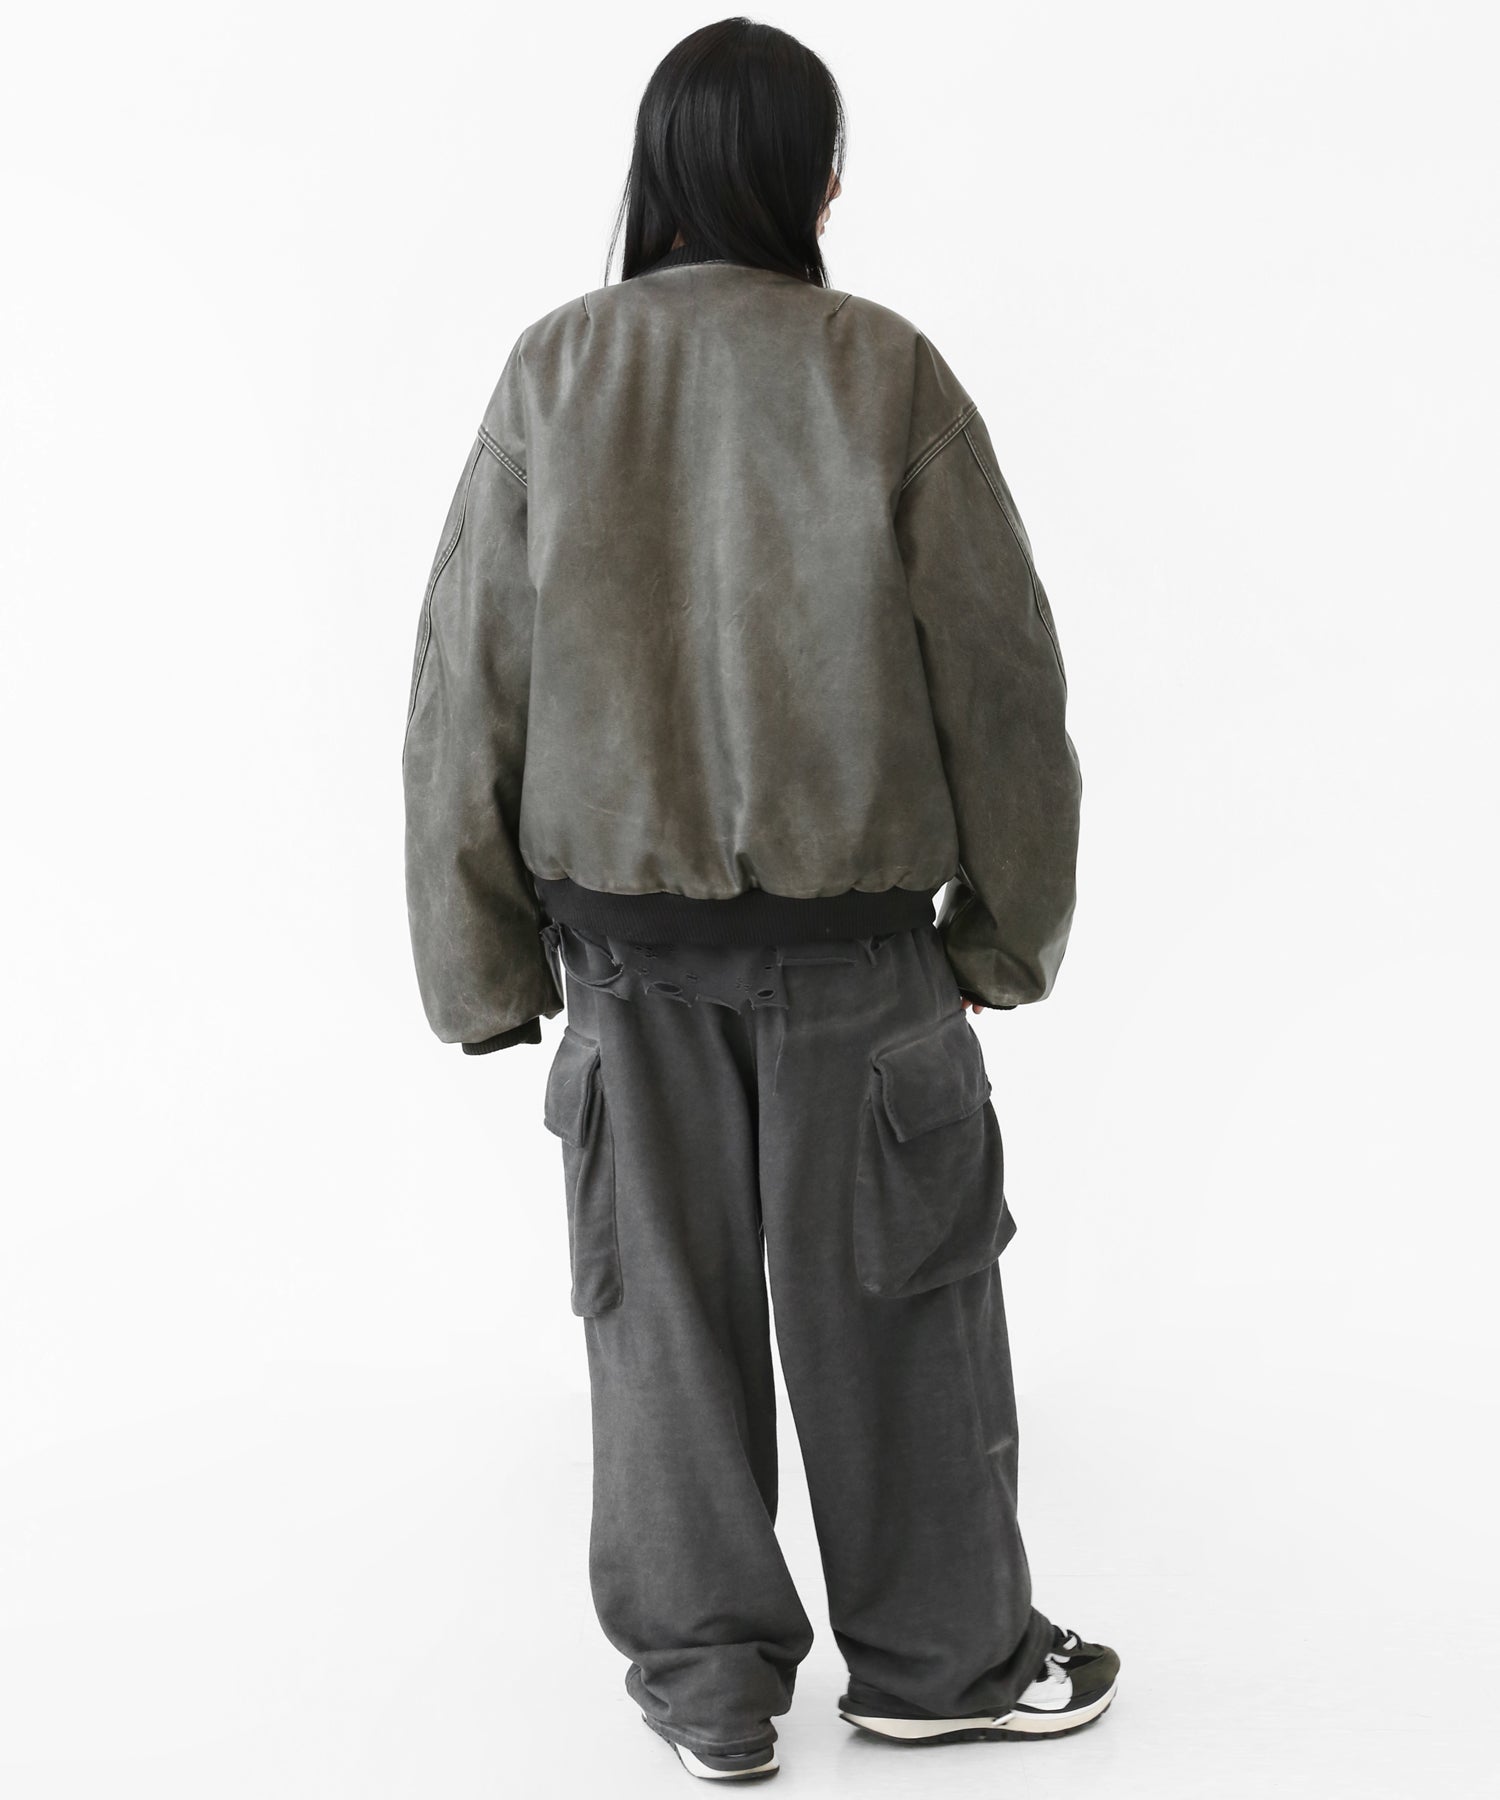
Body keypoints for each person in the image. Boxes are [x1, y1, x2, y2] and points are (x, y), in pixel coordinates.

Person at [402, 15, 1117, 1783]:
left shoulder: (554, 374)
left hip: (623, 968)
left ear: (654, 169)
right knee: (905, 1317)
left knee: (660, 1339)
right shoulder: (887, 374)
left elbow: (462, 693)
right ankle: (941, 1665)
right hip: (864, 968)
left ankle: (710, 1695)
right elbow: (1002, 681)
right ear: (821, 179)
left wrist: (481, 969)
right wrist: (1005, 934)